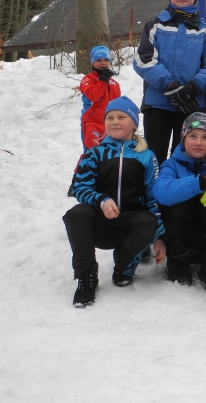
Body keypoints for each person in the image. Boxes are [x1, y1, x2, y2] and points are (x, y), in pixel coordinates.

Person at [62, 96, 165, 308]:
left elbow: (154, 197)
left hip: (130, 226)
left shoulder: (147, 156)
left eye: (121, 117)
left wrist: (159, 237)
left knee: (149, 222)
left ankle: (124, 266)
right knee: (76, 214)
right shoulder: (94, 154)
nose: (115, 122)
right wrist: (100, 199)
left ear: (134, 123)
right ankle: (87, 275)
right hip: (101, 223)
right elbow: (80, 187)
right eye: (110, 117)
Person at [133, 0, 206, 164]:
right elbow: (144, 60)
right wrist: (170, 84)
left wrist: (192, 88)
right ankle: (154, 186)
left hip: (192, 105)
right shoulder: (154, 26)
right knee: (153, 159)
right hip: (157, 105)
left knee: (186, 159)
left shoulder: (205, 32)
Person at [153, 113, 206, 295]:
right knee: (177, 206)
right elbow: (161, 193)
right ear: (183, 138)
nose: (199, 142)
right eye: (192, 136)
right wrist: (203, 181)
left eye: (205, 137)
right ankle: (178, 265)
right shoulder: (171, 165)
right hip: (182, 238)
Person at [79, 45, 121, 150]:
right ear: (93, 63)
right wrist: (103, 80)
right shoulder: (88, 79)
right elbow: (94, 96)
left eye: (106, 60)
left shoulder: (114, 84)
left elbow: (117, 105)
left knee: (109, 154)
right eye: (99, 60)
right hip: (91, 123)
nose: (103, 63)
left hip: (109, 124)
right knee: (92, 153)